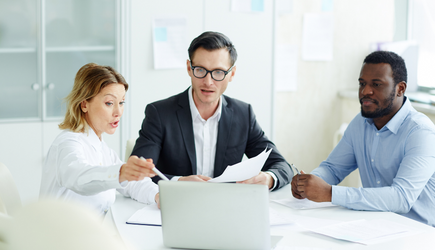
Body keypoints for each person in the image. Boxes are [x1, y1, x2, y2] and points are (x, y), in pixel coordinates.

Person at [131, 31, 292, 190]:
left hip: (225, 207)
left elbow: (282, 166)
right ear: (189, 68)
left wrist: (269, 178)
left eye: (218, 72)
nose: (208, 82)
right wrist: (178, 182)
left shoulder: (244, 115)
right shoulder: (159, 113)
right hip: (177, 204)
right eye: (200, 70)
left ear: (232, 74)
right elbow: (137, 172)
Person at [292, 51, 435, 226]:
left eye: (376, 84)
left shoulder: (421, 132)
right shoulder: (360, 124)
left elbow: (401, 198)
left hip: (419, 234)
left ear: (400, 89)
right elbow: (333, 169)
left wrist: (330, 193)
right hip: (374, 227)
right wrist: (307, 183)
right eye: (362, 83)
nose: (365, 91)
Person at [40, 63, 159, 215]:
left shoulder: (103, 149)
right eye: (109, 103)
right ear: (84, 104)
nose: (118, 112)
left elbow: (132, 185)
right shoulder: (68, 143)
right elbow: (78, 177)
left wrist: (158, 195)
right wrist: (121, 172)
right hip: (63, 235)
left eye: (121, 102)